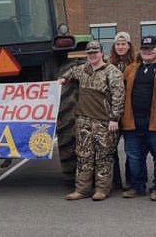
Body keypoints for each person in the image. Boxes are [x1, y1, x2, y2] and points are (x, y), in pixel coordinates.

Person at [59, 40, 124, 201]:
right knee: (83, 156)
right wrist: (63, 78)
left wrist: (114, 118)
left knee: (103, 157)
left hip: (103, 121)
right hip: (84, 121)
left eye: (95, 52)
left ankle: (102, 189)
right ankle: (82, 189)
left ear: (102, 53)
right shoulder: (83, 70)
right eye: (89, 53)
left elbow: (118, 96)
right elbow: (71, 72)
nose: (92, 56)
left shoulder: (112, 72)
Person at [120, 36, 156, 201]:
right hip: (133, 122)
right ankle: (138, 187)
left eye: (151, 48)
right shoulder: (130, 69)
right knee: (134, 157)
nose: (147, 52)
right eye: (144, 49)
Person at [108, 31, 135, 191]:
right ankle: (115, 180)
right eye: (118, 44)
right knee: (111, 149)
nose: (120, 46)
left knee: (131, 149)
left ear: (129, 45)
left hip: (130, 112)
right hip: (112, 113)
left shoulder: (135, 64)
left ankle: (131, 181)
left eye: (123, 44)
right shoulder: (108, 64)